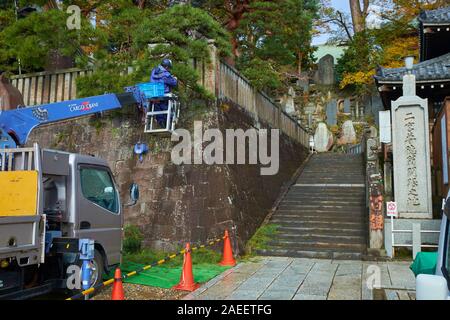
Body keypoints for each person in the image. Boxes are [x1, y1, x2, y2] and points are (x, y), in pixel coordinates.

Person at [150, 59, 178, 128]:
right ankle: (169, 123)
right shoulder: (165, 74)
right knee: (167, 106)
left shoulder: (154, 71)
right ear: (166, 67)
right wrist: (175, 79)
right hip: (163, 95)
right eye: (169, 68)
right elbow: (173, 83)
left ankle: (160, 122)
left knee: (157, 105)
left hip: (153, 95)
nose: (169, 69)